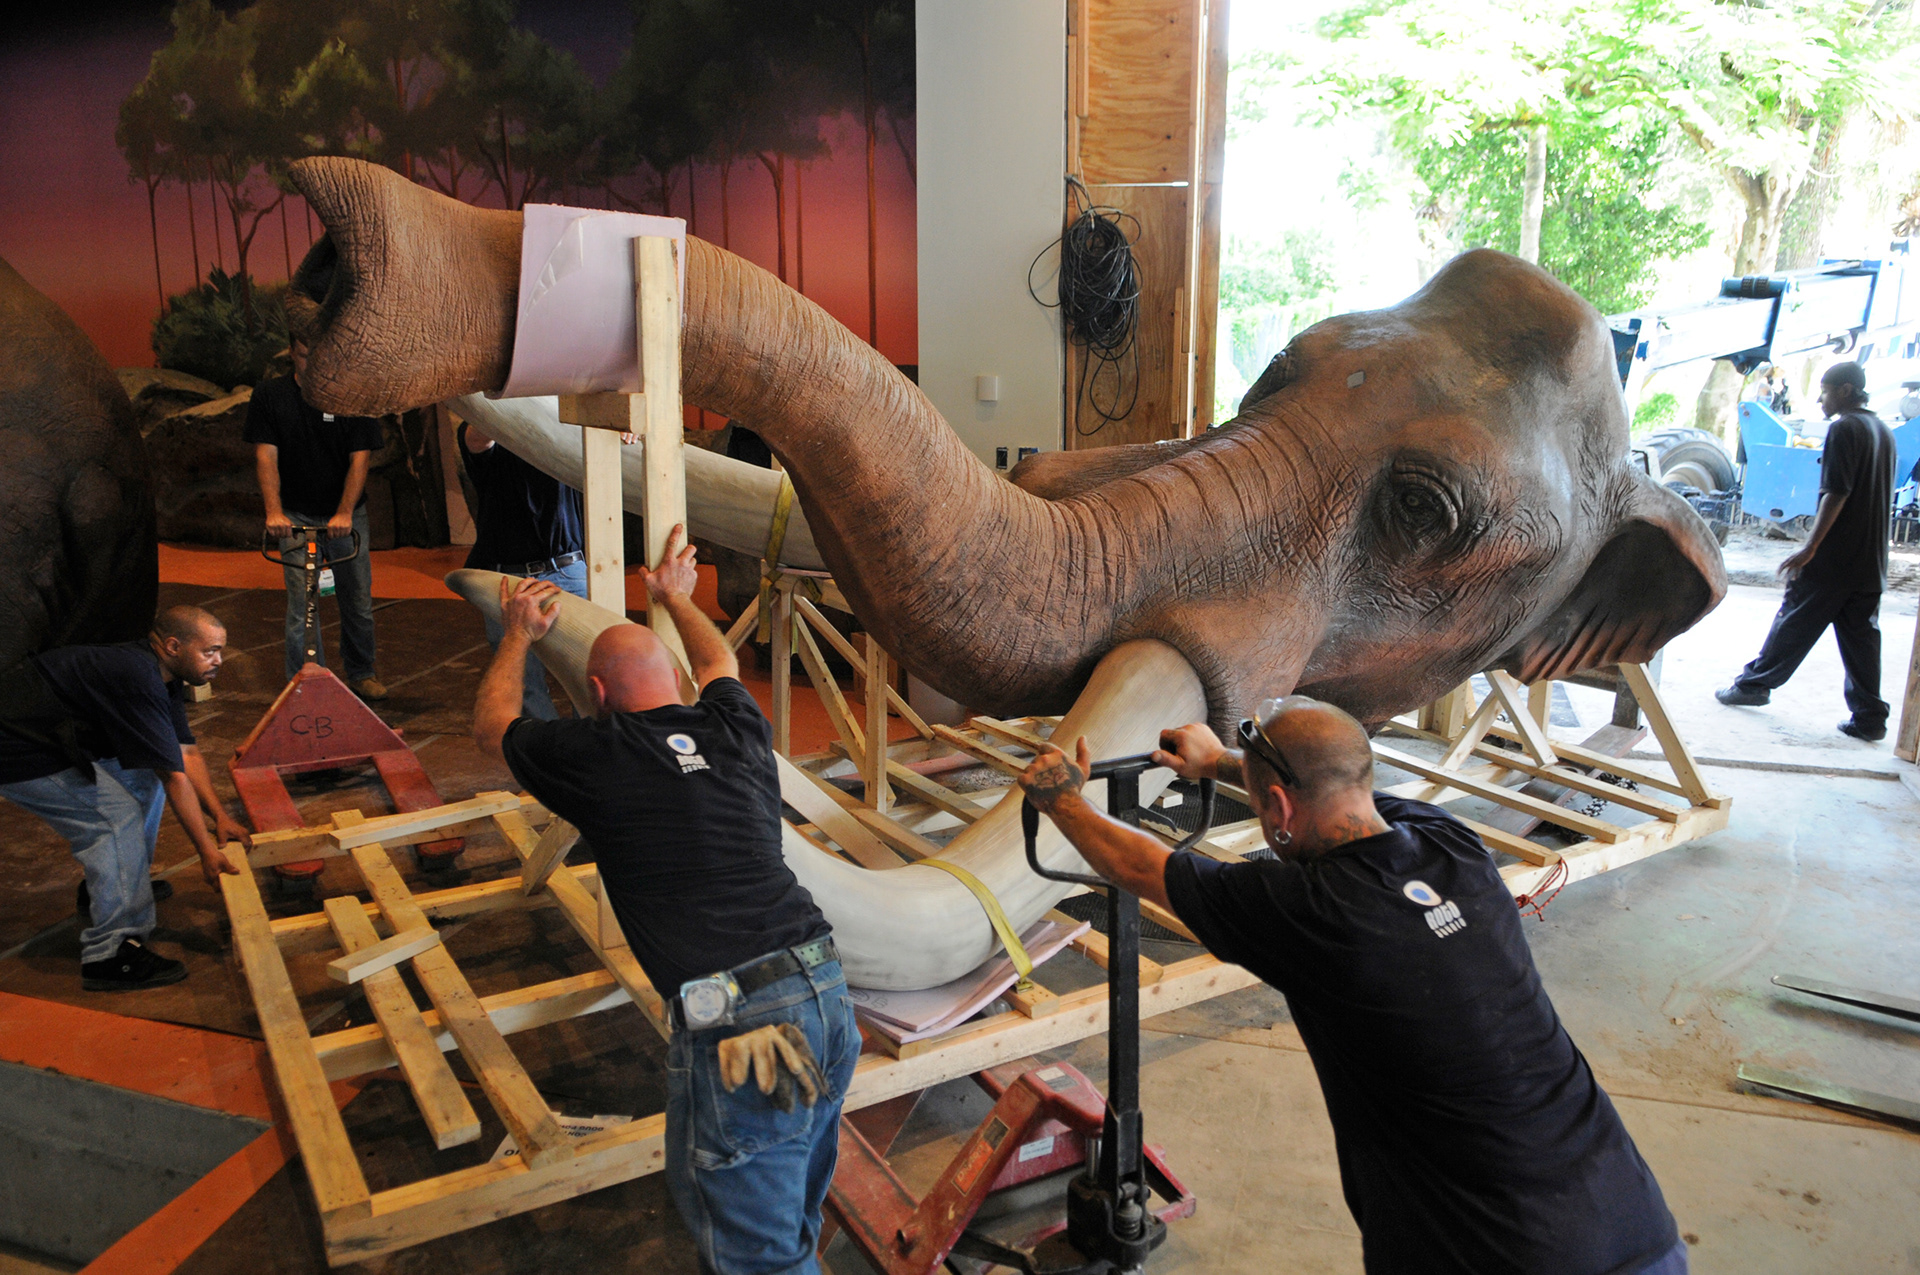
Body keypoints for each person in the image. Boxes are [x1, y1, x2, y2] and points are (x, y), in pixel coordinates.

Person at [1017, 698, 1685, 1275]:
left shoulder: (1315, 912)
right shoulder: (1451, 845)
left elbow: (1142, 863)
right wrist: (1220, 760)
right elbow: (1324, 787)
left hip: (1496, 1249)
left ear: (1276, 805)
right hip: (1633, 1219)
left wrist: (1062, 799)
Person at [473, 525, 856, 1275]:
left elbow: (492, 727)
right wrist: (676, 598)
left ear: (596, 696)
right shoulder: (736, 724)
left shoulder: (596, 752)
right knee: (761, 1205)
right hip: (826, 991)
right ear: (680, 686)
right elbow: (719, 658)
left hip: (748, 1030)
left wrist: (518, 633)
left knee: (759, 1254)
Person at [0, 606, 245, 991]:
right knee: (114, 821)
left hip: (47, 734)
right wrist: (206, 852)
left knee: (139, 781)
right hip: (16, 747)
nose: (219, 661)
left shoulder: (166, 675)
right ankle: (110, 954)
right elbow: (174, 777)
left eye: (221, 650)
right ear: (173, 645)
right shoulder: (139, 676)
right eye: (210, 651)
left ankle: (112, 886)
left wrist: (219, 817)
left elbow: (185, 753)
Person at [1716, 361, 1898, 741]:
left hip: (1835, 559)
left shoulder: (1845, 428)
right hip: (1869, 562)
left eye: (1826, 390)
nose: (1821, 399)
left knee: (1795, 620)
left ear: (1846, 390)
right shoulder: (1883, 431)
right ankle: (1869, 719)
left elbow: (1838, 492)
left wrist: (1810, 547)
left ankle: (1753, 685)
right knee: (1862, 641)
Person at [246, 338, 389, 700]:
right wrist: (273, 511)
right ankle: (306, 681)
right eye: (306, 356)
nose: (314, 364)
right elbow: (266, 456)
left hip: (345, 515)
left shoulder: (353, 395)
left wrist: (344, 512)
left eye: (321, 356)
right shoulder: (270, 396)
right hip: (294, 513)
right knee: (303, 603)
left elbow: (360, 459)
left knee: (356, 598)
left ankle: (361, 672)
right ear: (293, 353)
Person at [458, 419, 589, 719]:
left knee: (590, 675)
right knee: (522, 682)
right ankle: (543, 755)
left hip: (569, 568)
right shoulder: (485, 431)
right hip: (509, 578)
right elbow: (479, 435)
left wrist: (621, 427)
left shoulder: (565, 428)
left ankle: (587, 755)